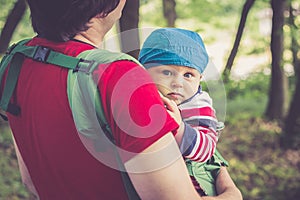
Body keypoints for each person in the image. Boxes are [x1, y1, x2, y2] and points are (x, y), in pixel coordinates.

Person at [0, 0, 242, 199]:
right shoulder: (121, 79)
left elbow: (30, 180)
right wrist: (231, 193)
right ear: (103, 6)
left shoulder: (17, 62)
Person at [138, 28, 234, 196]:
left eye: (188, 74)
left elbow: (207, 150)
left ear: (199, 80)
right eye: (167, 72)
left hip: (197, 189)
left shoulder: (198, 107)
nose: (178, 83)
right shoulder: (143, 98)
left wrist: (179, 128)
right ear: (144, 71)